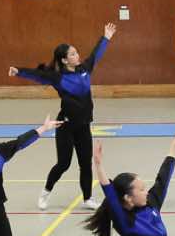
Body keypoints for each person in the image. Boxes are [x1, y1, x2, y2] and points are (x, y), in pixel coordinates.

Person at [11, 22, 115, 211]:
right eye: (73, 54)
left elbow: (96, 55)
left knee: (86, 164)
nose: (77, 55)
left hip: (83, 125)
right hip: (65, 126)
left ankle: (87, 198)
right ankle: (45, 192)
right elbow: (37, 75)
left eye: (76, 52)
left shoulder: (85, 69)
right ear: (65, 60)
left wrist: (106, 37)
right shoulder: (58, 78)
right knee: (63, 163)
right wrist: (19, 71)